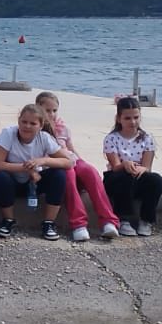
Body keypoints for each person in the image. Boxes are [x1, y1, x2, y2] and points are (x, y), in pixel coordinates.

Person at [36, 91, 120, 242]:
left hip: (70, 159)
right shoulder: (36, 129)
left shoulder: (63, 128)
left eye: (54, 110)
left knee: (90, 171)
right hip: (53, 165)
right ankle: (78, 224)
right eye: (47, 110)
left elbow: (71, 149)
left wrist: (82, 162)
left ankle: (108, 221)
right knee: (68, 174)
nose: (52, 114)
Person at [0, 102, 75, 240]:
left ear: (40, 126)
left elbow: (68, 162)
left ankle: (49, 223)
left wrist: (43, 161)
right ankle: (8, 220)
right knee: (0, 177)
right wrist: (27, 169)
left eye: (32, 123)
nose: (27, 126)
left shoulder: (44, 138)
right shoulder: (8, 134)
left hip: (35, 183)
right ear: (19, 121)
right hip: (13, 182)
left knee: (59, 174)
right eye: (24, 122)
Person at [102, 96, 162, 237]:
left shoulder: (147, 138)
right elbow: (115, 166)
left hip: (138, 175)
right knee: (125, 177)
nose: (133, 122)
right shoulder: (111, 138)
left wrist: (142, 169)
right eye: (127, 118)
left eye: (136, 117)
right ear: (119, 119)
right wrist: (125, 164)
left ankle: (146, 220)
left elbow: (147, 166)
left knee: (156, 180)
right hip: (117, 177)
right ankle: (124, 219)